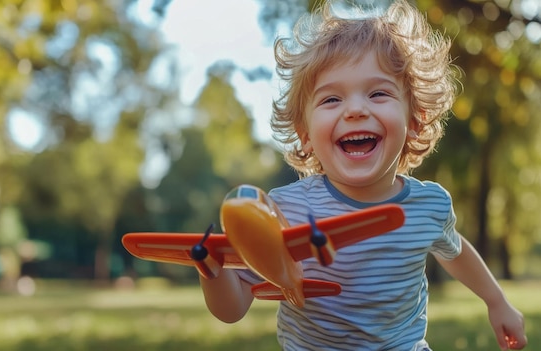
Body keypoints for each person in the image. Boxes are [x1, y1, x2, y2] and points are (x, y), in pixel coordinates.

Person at [199, 0, 528, 350]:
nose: (356, 109)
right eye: (331, 100)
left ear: (414, 121)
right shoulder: (282, 210)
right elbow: (232, 310)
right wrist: (210, 270)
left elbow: (455, 251)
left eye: (378, 93)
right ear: (305, 133)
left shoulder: (428, 205)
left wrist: (497, 301)